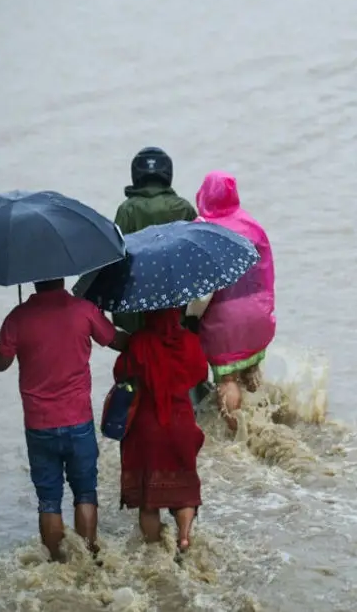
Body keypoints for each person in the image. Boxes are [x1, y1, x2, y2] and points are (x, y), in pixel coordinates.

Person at [0, 278, 129, 561]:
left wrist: (12, 334)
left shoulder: (18, 317)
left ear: (32, 280)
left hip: (39, 425)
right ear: (62, 277)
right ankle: (90, 558)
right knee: (86, 493)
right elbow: (113, 339)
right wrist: (142, 339)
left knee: (48, 500)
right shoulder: (83, 310)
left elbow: (1, 363)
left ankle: (58, 565)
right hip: (78, 420)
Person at [112, 307, 208, 552]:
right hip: (181, 425)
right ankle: (184, 537)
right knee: (184, 490)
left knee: (149, 500)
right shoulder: (189, 341)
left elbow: (120, 373)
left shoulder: (139, 342)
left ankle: (154, 548)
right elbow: (199, 374)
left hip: (148, 429)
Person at [187, 171, 277, 432]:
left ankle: (238, 436)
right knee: (251, 372)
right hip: (258, 313)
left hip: (225, 321)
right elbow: (266, 272)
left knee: (227, 379)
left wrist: (192, 316)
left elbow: (203, 292)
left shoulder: (203, 229)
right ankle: (265, 423)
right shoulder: (252, 225)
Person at [112, 146, 198, 335]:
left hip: (137, 308)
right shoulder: (183, 207)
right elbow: (196, 258)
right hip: (176, 306)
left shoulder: (127, 209)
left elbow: (116, 257)